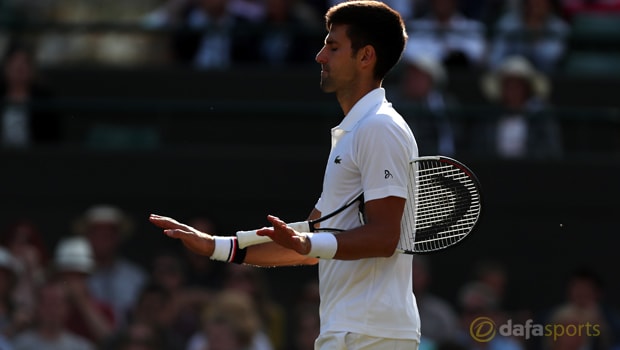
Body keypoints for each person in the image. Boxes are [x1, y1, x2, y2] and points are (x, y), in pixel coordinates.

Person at [149, 1, 421, 349]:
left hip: (371, 333)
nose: (320, 56)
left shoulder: (380, 128)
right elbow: (311, 242)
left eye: (333, 47)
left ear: (365, 56)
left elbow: (383, 237)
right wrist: (218, 247)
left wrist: (309, 242)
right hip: (352, 331)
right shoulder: (356, 132)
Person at [470, 55, 562, 159]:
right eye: (509, 86)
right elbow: (479, 149)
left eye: (518, 86)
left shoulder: (541, 117)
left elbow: (551, 150)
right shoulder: (490, 118)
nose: (513, 91)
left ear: (527, 89)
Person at [74, 204, 148, 328]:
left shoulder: (136, 277)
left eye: (108, 235)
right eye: (97, 234)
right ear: (87, 237)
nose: (102, 239)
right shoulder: (76, 276)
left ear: (118, 238)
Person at [0, 40, 62, 148]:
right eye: (15, 62)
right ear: (6, 66)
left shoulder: (44, 97)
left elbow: (52, 138)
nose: (20, 67)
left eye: (25, 63)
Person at [487, 0, 570, 74]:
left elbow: (551, 58)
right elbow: (495, 58)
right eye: (533, 2)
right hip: (510, 74)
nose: (536, 5)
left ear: (549, 4)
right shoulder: (508, 24)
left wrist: (535, 35)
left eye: (541, 2)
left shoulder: (558, 28)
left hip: (546, 75)